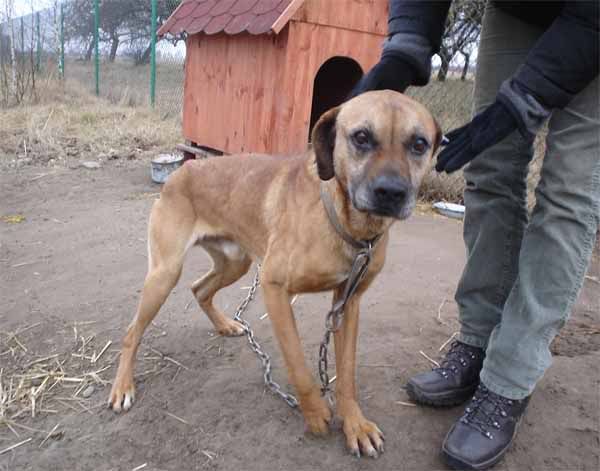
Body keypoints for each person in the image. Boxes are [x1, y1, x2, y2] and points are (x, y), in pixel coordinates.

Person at [351, 1, 599, 469]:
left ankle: (510, 376)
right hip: (519, 10)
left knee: (568, 194)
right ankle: (479, 336)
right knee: (488, 165)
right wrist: (406, 45)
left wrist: (522, 101)